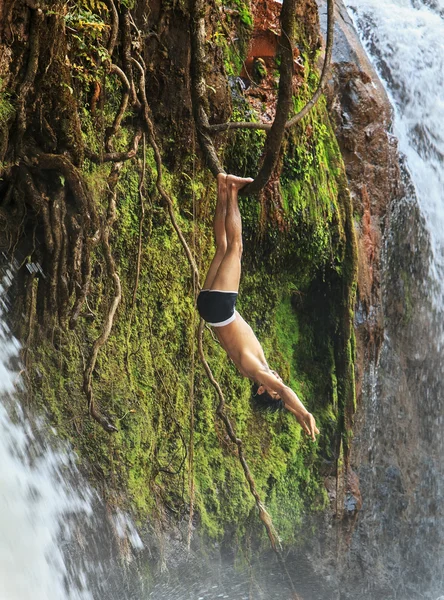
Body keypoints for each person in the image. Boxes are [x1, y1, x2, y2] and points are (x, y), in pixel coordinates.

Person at [197, 173, 319, 441]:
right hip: (210, 310)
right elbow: (284, 399)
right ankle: (223, 186)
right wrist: (297, 414)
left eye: (273, 389)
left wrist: (305, 411)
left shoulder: (256, 371)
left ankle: (232, 191)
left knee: (235, 248)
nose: (278, 382)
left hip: (221, 309)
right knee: (223, 247)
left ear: (262, 389)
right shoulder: (257, 370)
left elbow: (285, 392)